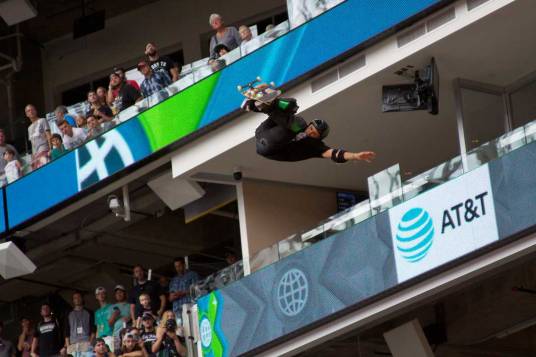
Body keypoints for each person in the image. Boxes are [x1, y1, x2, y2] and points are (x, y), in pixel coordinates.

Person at [242, 88, 376, 163]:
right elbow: (282, 119)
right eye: (311, 129)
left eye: (314, 135)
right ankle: (256, 105)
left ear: (317, 139)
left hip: (270, 148)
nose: (310, 133)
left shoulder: (315, 147)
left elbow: (334, 153)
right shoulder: (298, 124)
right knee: (292, 105)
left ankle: (264, 106)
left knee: (298, 123)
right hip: (264, 132)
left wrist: (355, 156)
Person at [65, 291, 95, 357]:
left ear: (82, 299)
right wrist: (68, 346)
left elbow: (93, 329)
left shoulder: (89, 312)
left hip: (86, 342)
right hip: (73, 344)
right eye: (75, 298)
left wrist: (90, 343)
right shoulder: (68, 313)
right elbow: (67, 331)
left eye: (79, 297)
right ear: (73, 300)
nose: (77, 299)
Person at [25, 104, 51, 170]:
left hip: (45, 151)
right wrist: (34, 158)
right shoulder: (29, 128)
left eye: (32, 109)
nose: (31, 111)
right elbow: (32, 144)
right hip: (36, 155)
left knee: (47, 170)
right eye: (28, 111)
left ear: (36, 111)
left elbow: (49, 135)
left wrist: (51, 149)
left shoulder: (42, 120)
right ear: (26, 114)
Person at [108, 285, 130, 353]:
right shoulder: (112, 307)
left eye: (121, 292)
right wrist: (114, 315)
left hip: (128, 336)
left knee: (128, 353)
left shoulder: (130, 305)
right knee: (117, 353)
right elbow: (110, 323)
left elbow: (134, 317)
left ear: (125, 294)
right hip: (116, 336)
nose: (119, 294)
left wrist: (129, 318)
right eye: (117, 293)